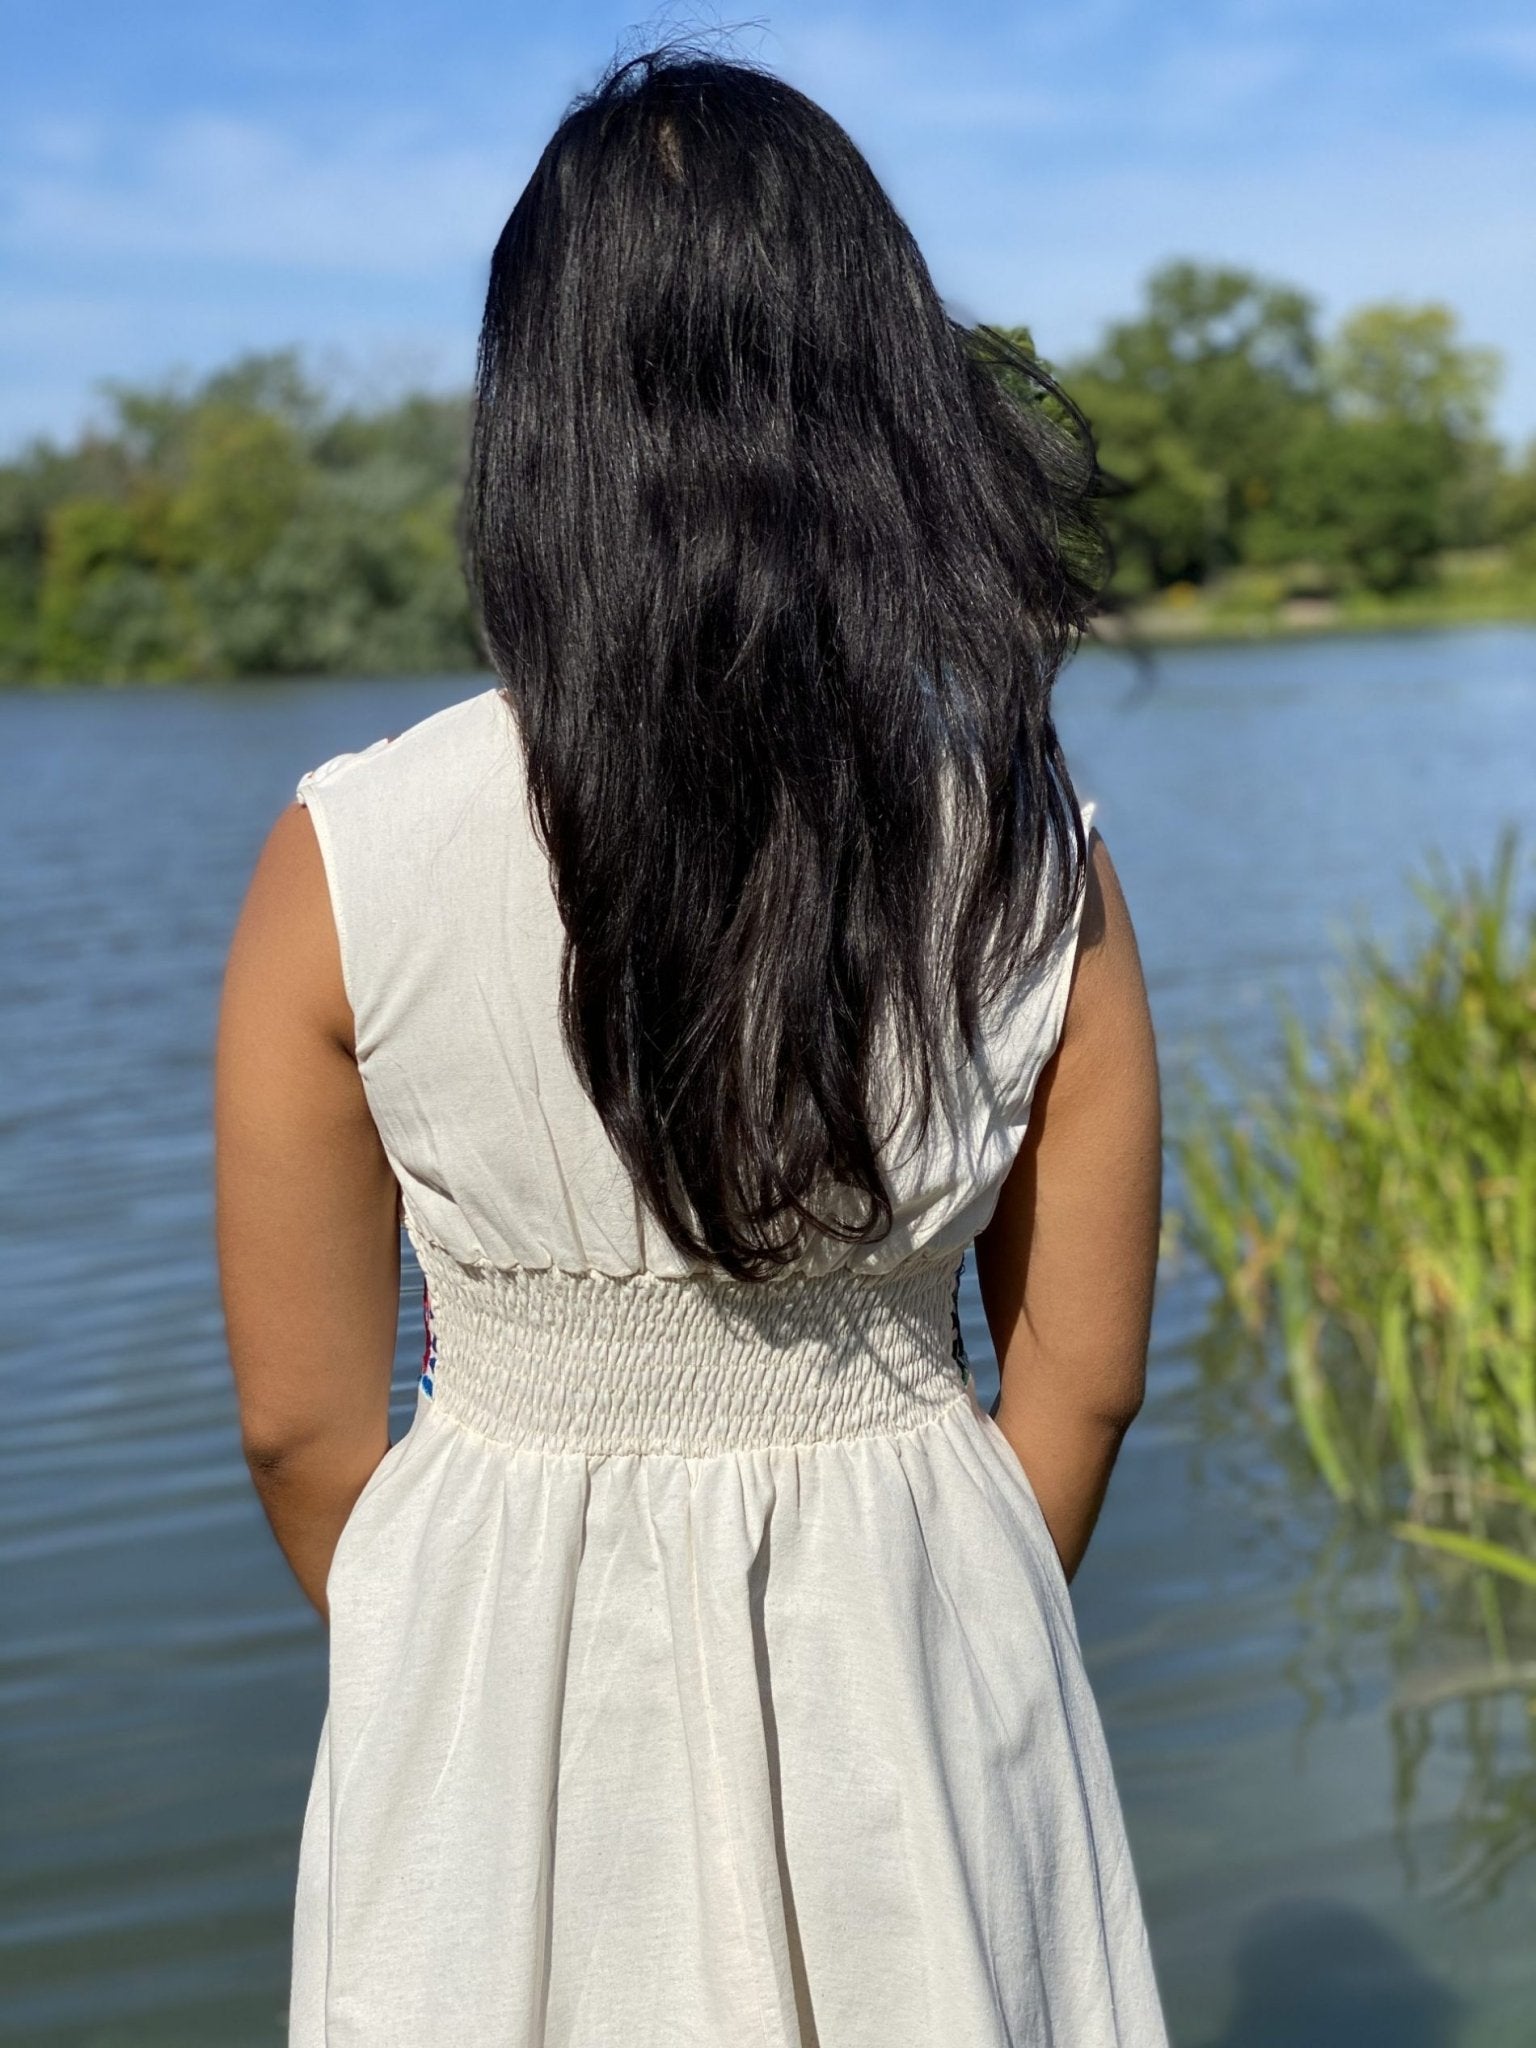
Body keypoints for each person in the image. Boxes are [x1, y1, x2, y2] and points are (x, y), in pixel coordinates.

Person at [214, 44, 1168, 2048]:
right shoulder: (1028, 847)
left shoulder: (346, 854)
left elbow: (305, 1434)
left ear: (530, 426)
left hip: (497, 1673)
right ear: (881, 402)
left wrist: (460, 1676)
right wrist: (941, 1644)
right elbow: (1076, 1377)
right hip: (924, 1622)